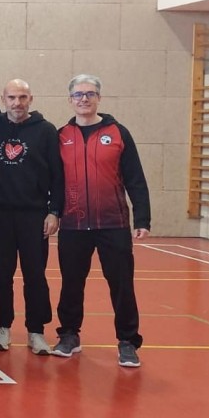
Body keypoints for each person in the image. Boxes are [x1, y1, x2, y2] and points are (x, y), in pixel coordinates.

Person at [52, 74, 151, 368]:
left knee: (121, 284)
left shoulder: (118, 133)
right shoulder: (60, 136)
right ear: (70, 100)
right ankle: (69, 334)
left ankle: (127, 341)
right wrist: (53, 212)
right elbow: (54, 181)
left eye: (90, 94)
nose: (84, 99)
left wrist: (142, 218)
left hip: (113, 224)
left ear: (99, 98)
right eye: (79, 94)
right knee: (71, 283)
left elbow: (136, 178)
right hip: (73, 225)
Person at [0, 80, 63, 355]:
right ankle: (2, 327)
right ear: (3, 99)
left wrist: (54, 211)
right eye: (12, 97)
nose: (17, 103)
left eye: (22, 97)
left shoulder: (46, 131)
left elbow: (58, 175)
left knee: (35, 275)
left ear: (31, 98)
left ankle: (36, 330)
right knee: (1, 274)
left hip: (34, 215)